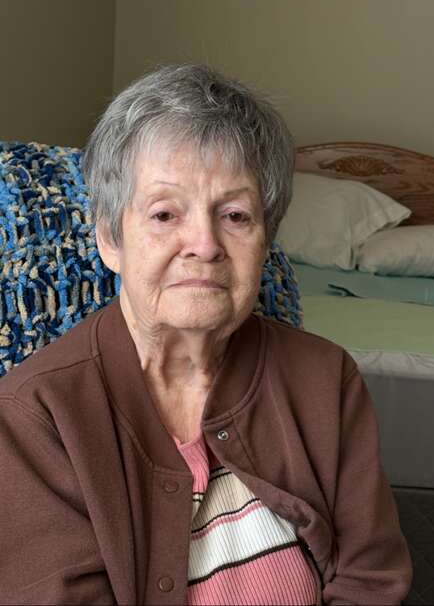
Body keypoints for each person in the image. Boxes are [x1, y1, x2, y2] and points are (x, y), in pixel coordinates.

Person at [0, 64, 412, 605]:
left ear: (266, 240)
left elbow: (371, 580)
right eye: (165, 214)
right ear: (110, 240)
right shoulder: (34, 415)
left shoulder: (326, 377)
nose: (205, 244)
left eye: (235, 215)